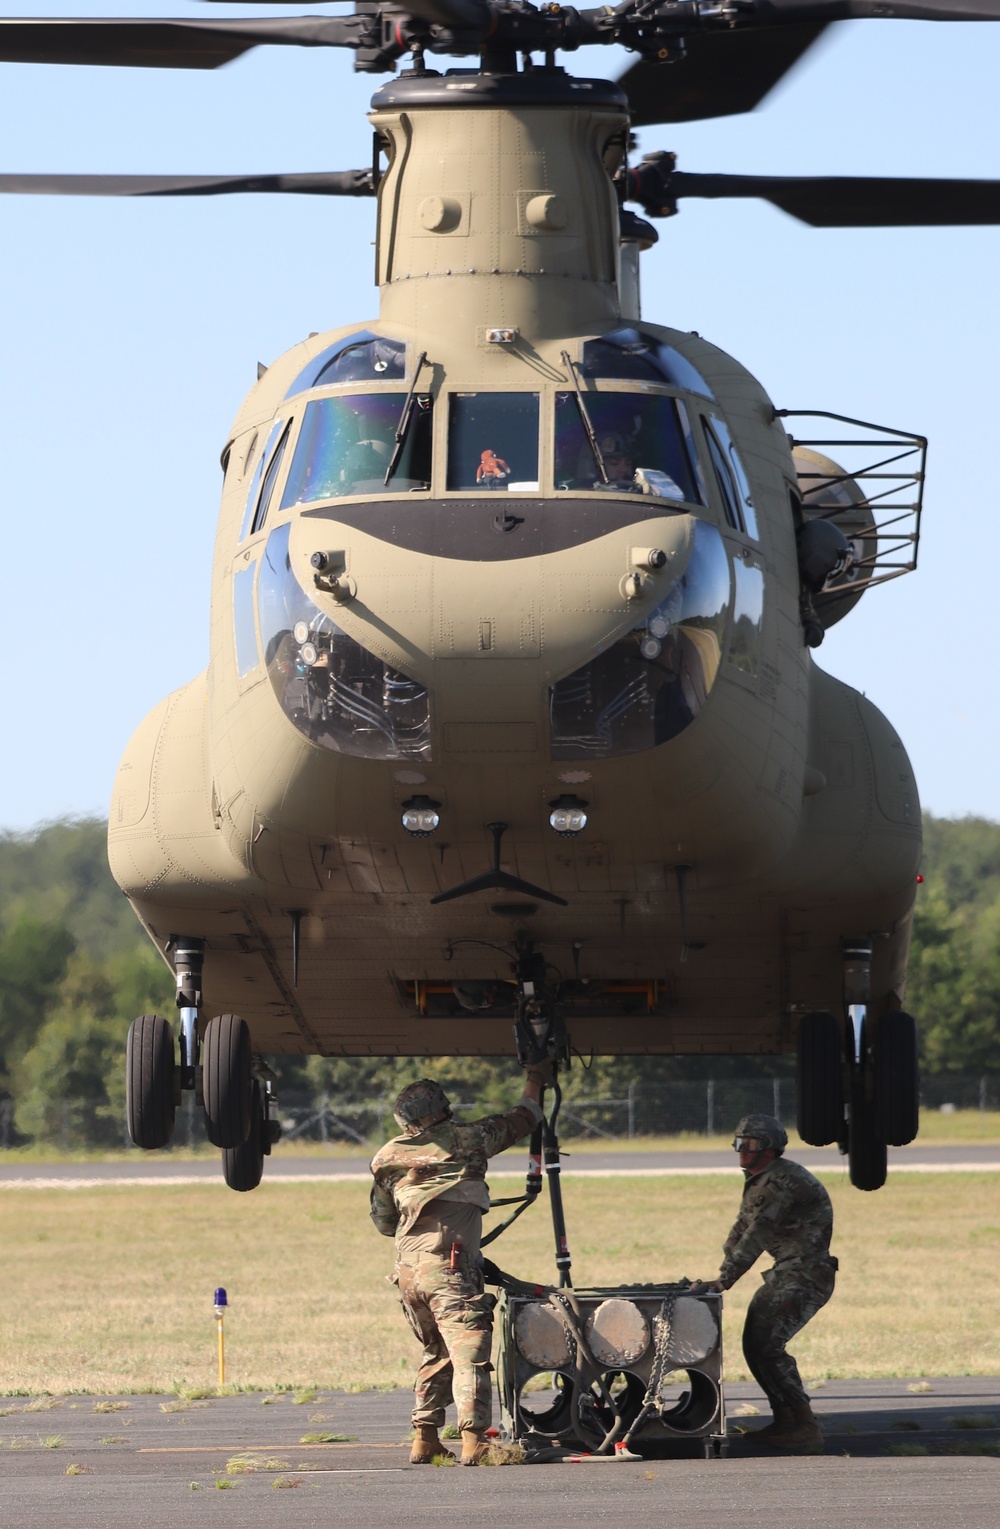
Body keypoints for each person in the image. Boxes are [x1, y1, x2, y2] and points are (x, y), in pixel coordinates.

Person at [369, 1063, 551, 1465]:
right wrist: (536, 1079)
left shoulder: (386, 1157)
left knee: (437, 1350)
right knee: (470, 1352)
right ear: (442, 1108)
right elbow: (524, 1118)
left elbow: (383, 1222)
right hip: (450, 1270)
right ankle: (475, 1441)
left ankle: (425, 1438)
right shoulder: (467, 1138)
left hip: (408, 1273)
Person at [690, 1113, 837, 1454]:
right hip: (791, 1270)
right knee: (757, 1344)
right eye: (739, 1144)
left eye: (751, 1145)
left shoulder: (777, 1184)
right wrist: (724, 1267)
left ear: (770, 1149)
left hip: (804, 1273)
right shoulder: (762, 1178)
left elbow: (756, 1236)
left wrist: (723, 1280)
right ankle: (787, 1421)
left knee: (766, 1345)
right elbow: (741, 1230)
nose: (742, 1151)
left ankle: (804, 1424)